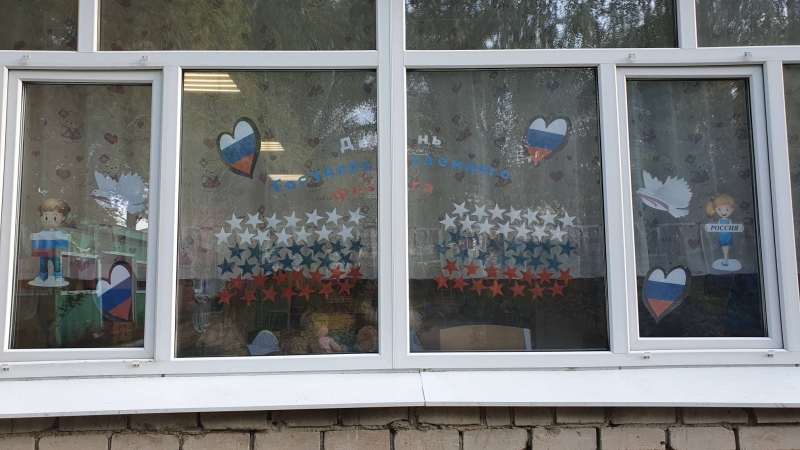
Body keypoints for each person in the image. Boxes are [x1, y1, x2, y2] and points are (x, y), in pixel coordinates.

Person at [30, 199, 71, 286]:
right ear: (41, 218)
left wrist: (67, 237)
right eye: (46, 217)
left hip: (55, 252)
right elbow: (39, 236)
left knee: (57, 264)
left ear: (63, 218)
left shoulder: (58, 232)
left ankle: (58, 275)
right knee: (43, 264)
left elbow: (63, 237)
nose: (50, 221)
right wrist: (34, 237)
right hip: (44, 252)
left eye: (55, 217)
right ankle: (43, 276)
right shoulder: (43, 232)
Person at [705, 194, 736, 266]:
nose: (724, 212)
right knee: (723, 248)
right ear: (716, 210)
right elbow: (716, 227)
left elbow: (733, 227)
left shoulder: (729, 221)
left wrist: (740, 228)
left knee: (726, 248)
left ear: (732, 209)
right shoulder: (720, 221)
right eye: (720, 209)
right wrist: (708, 228)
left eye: (727, 209)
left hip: (728, 236)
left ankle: (725, 258)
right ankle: (725, 258)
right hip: (722, 236)